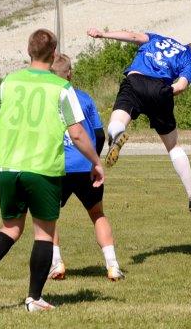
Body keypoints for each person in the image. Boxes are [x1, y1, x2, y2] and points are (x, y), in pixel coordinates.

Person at [0, 29, 105, 312]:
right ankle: (34, 298)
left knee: (10, 227)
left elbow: (0, 117)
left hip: (8, 164)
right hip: (42, 166)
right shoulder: (62, 88)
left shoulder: (8, 82)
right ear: (54, 54)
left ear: (28, 50)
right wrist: (95, 161)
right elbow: (77, 133)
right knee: (44, 233)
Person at [87, 28, 191, 221]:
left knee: (117, 121)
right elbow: (181, 85)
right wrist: (165, 93)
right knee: (173, 147)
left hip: (135, 80)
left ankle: (117, 136)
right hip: (160, 89)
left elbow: (132, 36)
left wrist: (103, 34)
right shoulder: (190, 58)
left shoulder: (158, 38)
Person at [47, 54, 124, 282]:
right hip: (85, 166)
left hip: (56, 166)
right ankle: (112, 265)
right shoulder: (84, 98)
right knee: (97, 213)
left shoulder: (47, 99)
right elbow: (98, 135)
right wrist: (94, 161)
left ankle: (56, 264)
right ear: (69, 73)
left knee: (48, 217)